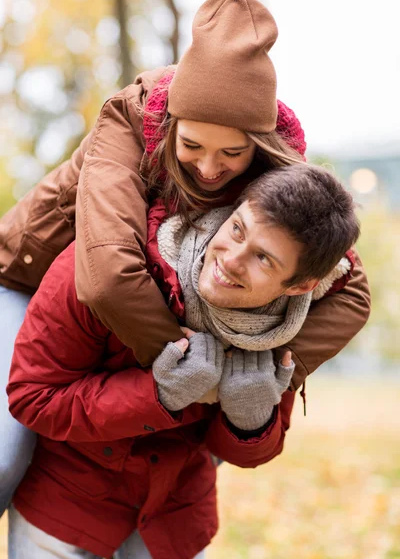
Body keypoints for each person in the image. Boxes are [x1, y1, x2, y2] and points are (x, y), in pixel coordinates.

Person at [0, 0, 370, 516]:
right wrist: (192, 369)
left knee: (192, 443)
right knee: (3, 454)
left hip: (131, 309)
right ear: (170, 124)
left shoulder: (280, 172)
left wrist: (255, 370)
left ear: (259, 146)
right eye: (191, 146)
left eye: (232, 154)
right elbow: (107, 275)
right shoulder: (128, 120)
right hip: (29, 280)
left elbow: (350, 290)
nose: (210, 169)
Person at [7, 162, 360, 559]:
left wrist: (252, 417)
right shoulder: (103, 266)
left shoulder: (279, 326)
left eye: (263, 259)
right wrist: (158, 394)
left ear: (301, 286)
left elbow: (250, 453)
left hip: (173, 517)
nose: (230, 259)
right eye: (237, 229)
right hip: (66, 505)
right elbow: (32, 397)